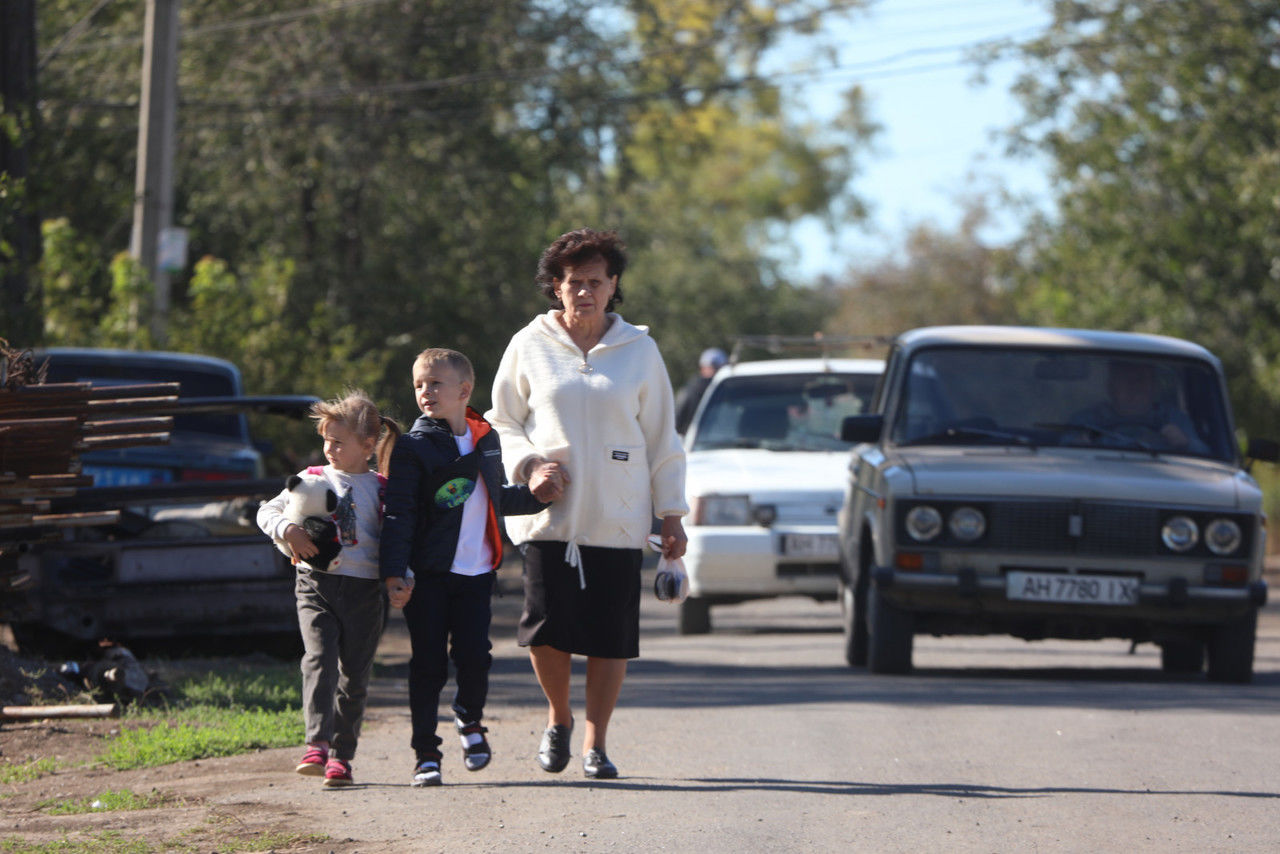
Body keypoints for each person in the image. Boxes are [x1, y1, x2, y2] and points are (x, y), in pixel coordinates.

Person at [486, 227, 689, 780]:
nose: (584, 292)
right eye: (573, 282)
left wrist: (670, 514)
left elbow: (662, 437)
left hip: (619, 519)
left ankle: (597, 743)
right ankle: (559, 719)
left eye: (595, 282)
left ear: (613, 285)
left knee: (610, 637)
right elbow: (501, 422)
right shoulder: (529, 344)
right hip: (550, 517)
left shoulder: (639, 350)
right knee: (545, 628)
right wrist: (530, 467)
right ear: (556, 287)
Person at [379, 348, 552, 788]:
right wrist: (394, 572)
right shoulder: (413, 447)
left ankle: (469, 721)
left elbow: (496, 498)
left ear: (464, 390)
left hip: (477, 573)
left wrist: (540, 495)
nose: (425, 392)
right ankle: (425, 755)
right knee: (429, 666)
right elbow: (399, 514)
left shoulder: (487, 439)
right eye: (419, 384)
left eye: (435, 383)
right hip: (429, 574)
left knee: (475, 657)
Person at [256, 390, 400, 788]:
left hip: (364, 593)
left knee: (354, 676)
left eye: (338, 441)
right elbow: (266, 511)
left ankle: (342, 757)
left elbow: (399, 540)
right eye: (326, 440)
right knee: (318, 658)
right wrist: (289, 530)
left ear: (368, 445)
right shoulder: (311, 479)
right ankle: (316, 745)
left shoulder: (384, 489)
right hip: (315, 585)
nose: (329, 448)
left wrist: (403, 578)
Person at [1072, 359, 1208, 453]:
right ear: (1111, 386)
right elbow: (1063, 450)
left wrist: (1185, 443)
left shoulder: (1174, 418)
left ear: (1154, 386)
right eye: (1126, 379)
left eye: (1142, 379)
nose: (1135, 387)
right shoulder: (1087, 420)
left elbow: (1206, 455)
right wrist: (1078, 444)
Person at [674, 347, 727, 434]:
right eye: (711, 367)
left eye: (715, 367)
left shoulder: (690, 388)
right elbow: (678, 419)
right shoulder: (691, 389)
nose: (713, 371)